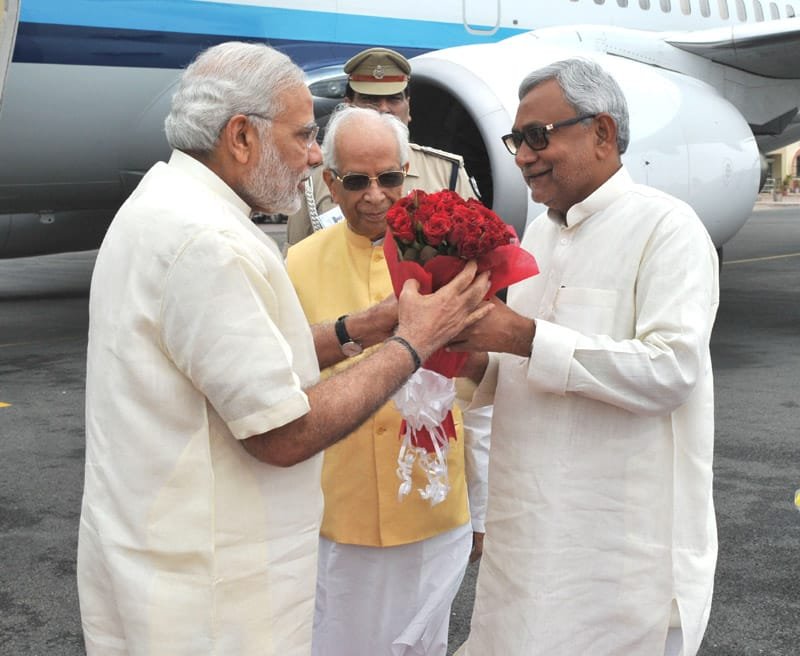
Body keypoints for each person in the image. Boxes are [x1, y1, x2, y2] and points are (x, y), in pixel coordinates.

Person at [76, 42, 491, 656]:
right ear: (242, 136)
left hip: (173, 559)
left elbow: (249, 363)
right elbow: (281, 433)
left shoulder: (167, 205)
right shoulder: (209, 243)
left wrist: (357, 329)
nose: (315, 153)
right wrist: (412, 343)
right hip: (213, 595)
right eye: (302, 135)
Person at [451, 58, 719, 656]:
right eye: (516, 139)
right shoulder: (540, 234)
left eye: (538, 137)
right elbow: (527, 362)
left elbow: (670, 371)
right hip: (527, 543)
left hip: (616, 560)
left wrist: (520, 337)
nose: (522, 155)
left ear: (602, 133)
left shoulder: (667, 228)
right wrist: (472, 356)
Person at [285, 105, 490, 656]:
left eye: (389, 178)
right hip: (336, 515)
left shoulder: (453, 262)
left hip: (431, 504)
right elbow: (280, 375)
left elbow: (482, 395)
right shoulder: (295, 264)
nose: (374, 195)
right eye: (355, 181)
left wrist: (484, 507)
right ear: (329, 183)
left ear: (408, 172)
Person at [285, 47, 478, 247]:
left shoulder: (446, 172)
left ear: (409, 106)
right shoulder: (315, 178)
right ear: (347, 106)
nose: (384, 108)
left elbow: (472, 248)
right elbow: (295, 258)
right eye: (370, 99)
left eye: (394, 98)